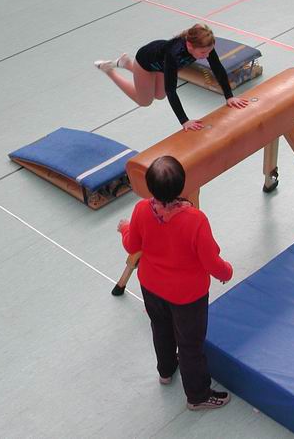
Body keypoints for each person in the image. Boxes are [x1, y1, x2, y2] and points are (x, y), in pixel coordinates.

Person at [117, 156, 233, 411]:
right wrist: (226, 272)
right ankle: (198, 396)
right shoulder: (195, 220)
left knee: (160, 328)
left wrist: (125, 228)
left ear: (150, 187)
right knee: (190, 345)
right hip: (187, 297)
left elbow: (132, 245)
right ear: (183, 185)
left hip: (151, 287)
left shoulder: (141, 210)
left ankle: (166, 370)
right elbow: (211, 261)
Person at [95, 23, 249, 131]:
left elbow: (217, 67)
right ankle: (110, 70)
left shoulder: (205, 45)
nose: (207, 55)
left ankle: (127, 63)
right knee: (145, 101)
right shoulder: (173, 54)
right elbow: (171, 90)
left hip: (161, 64)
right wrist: (184, 121)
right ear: (189, 46)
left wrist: (229, 96)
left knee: (159, 95)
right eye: (203, 53)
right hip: (146, 62)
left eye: (209, 51)